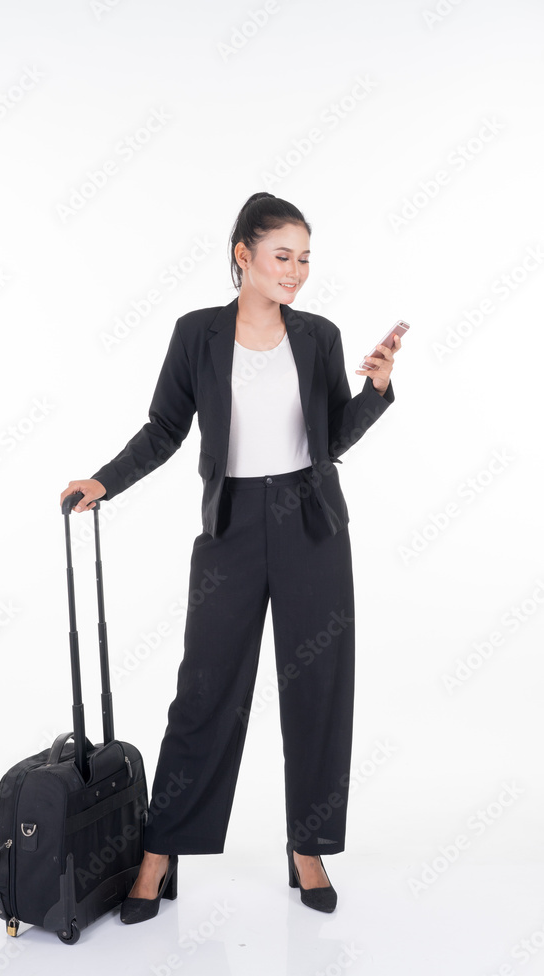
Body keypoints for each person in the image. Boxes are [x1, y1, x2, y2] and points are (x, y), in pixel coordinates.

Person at [60, 191, 401, 922]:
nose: (296, 271)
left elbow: (330, 439)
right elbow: (164, 428)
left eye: (304, 258)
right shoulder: (198, 334)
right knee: (205, 692)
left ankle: (307, 847)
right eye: (282, 256)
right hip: (232, 527)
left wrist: (374, 390)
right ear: (243, 255)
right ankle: (161, 851)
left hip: (313, 525)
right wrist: (104, 481)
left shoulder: (318, 336)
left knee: (318, 690)